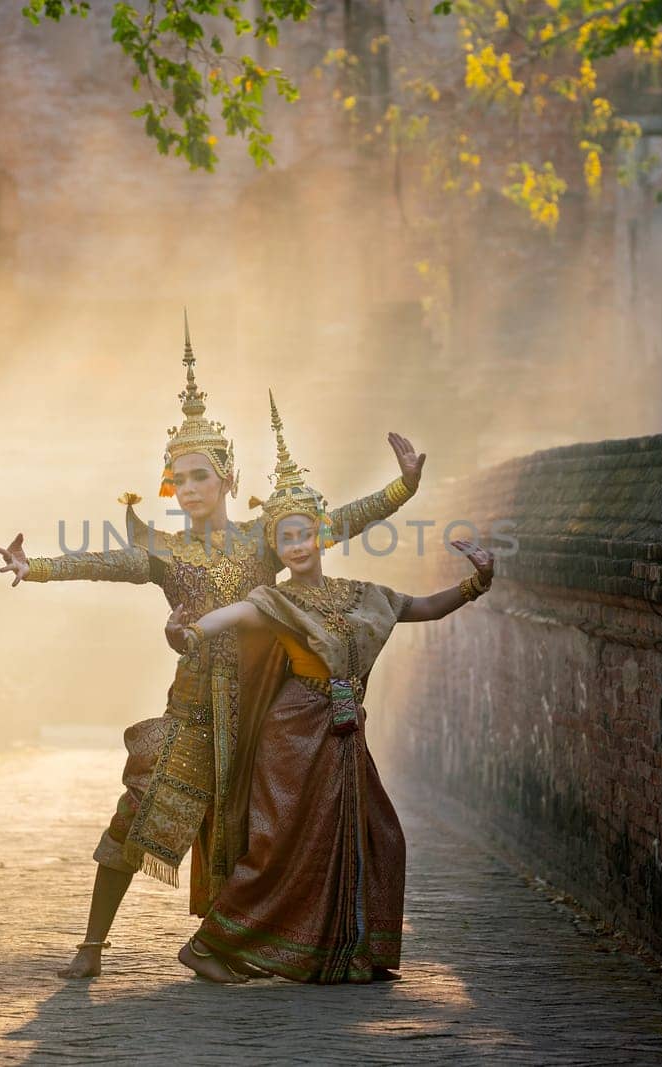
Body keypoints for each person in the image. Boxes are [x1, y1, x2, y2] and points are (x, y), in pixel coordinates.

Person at [0, 320, 427, 979]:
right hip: (195, 710)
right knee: (137, 816)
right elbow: (108, 561)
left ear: (229, 478)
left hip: (261, 712)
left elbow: (337, 520)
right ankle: (91, 946)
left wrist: (403, 489)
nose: (190, 487)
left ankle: (225, 946)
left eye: (201, 475)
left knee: (258, 830)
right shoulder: (168, 551)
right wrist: (40, 567)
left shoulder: (263, 538)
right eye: (178, 478)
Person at [163, 394, 494, 984]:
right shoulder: (275, 601)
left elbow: (420, 607)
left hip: (343, 733)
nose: (295, 545)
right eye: (283, 538)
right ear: (277, 546)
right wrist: (190, 630)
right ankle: (210, 943)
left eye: (303, 533)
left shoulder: (362, 596)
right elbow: (230, 618)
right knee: (281, 846)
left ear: (321, 535)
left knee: (373, 837)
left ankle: (351, 952)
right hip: (292, 737)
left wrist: (476, 583)